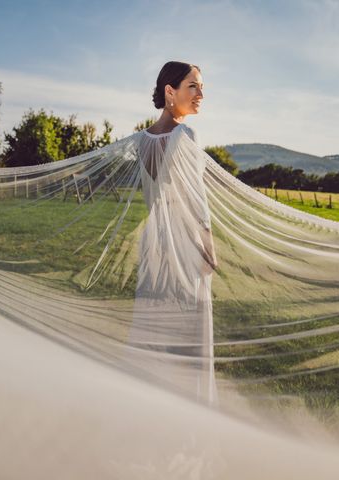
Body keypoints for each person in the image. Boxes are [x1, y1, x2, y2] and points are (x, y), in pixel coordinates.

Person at [126, 61, 219, 407]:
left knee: (153, 326)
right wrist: (208, 247)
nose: (201, 94)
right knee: (188, 333)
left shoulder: (141, 141)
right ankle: (187, 412)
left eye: (201, 87)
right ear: (170, 92)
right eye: (192, 86)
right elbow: (198, 203)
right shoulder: (186, 137)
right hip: (184, 243)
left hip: (153, 242)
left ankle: (146, 405)